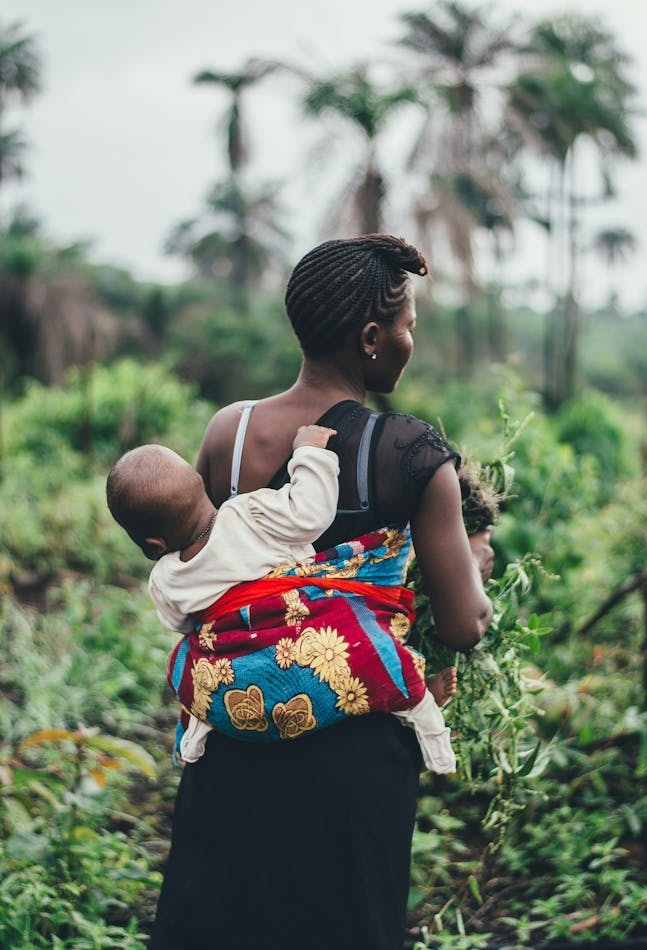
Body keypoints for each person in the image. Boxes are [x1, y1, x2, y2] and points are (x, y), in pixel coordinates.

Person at [150, 234, 494, 950]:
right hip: (353, 759)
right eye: (407, 327)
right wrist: (476, 566)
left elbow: (214, 566)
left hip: (234, 735)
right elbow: (463, 627)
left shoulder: (229, 434)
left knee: (222, 925)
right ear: (372, 337)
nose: (410, 340)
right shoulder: (411, 453)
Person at [105, 426, 457, 773]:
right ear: (200, 484)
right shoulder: (247, 512)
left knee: (187, 662)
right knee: (367, 647)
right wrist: (309, 453)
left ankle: (198, 729)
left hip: (238, 678)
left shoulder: (165, 578)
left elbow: (184, 625)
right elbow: (311, 514)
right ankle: (424, 714)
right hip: (301, 641)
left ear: (153, 545)